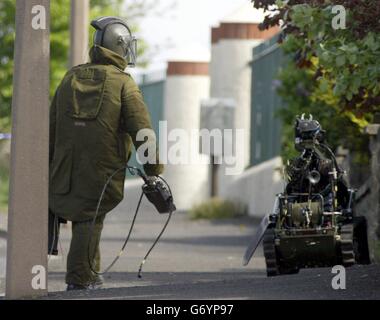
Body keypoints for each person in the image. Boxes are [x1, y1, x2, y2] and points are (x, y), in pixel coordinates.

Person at [48, 17, 163, 291]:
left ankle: (86, 273)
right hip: (102, 169)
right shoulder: (123, 83)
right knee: (90, 218)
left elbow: (52, 126)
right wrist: (154, 169)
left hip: (63, 168)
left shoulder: (70, 77)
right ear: (120, 45)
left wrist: (48, 166)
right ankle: (81, 278)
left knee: (83, 218)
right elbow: (143, 131)